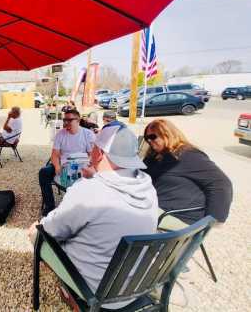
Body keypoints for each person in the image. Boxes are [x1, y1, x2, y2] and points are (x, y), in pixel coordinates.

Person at [29, 125, 158, 310]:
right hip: (135, 285)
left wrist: (37, 227)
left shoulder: (88, 191)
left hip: (98, 290)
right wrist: (97, 175)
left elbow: (51, 230)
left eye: (94, 146)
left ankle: (71, 295)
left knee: (36, 233)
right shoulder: (147, 187)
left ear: (99, 153)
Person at [143, 119, 232, 226]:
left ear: (167, 134)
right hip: (155, 208)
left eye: (152, 137)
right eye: (146, 138)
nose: (149, 141)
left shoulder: (188, 155)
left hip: (176, 217)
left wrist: (213, 220)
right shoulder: (157, 155)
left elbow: (221, 183)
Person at [39, 109, 95, 216]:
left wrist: (85, 165)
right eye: (64, 120)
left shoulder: (88, 134)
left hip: (82, 164)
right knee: (44, 172)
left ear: (78, 120)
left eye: (69, 120)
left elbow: (92, 155)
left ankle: (83, 206)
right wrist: (56, 167)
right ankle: (50, 206)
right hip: (62, 163)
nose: (65, 123)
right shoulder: (60, 134)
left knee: (91, 176)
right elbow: (55, 154)